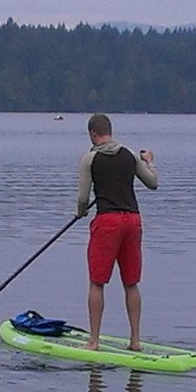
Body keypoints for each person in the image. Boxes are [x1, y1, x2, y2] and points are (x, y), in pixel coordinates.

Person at [76, 113, 158, 351]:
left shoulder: (89, 159)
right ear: (109, 131)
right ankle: (135, 341)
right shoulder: (130, 155)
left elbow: (83, 198)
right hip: (132, 221)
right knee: (131, 283)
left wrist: (80, 212)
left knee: (97, 282)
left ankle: (94, 341)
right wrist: (149, 161)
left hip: (108, 222)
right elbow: (152, 182)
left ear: (93, 134)